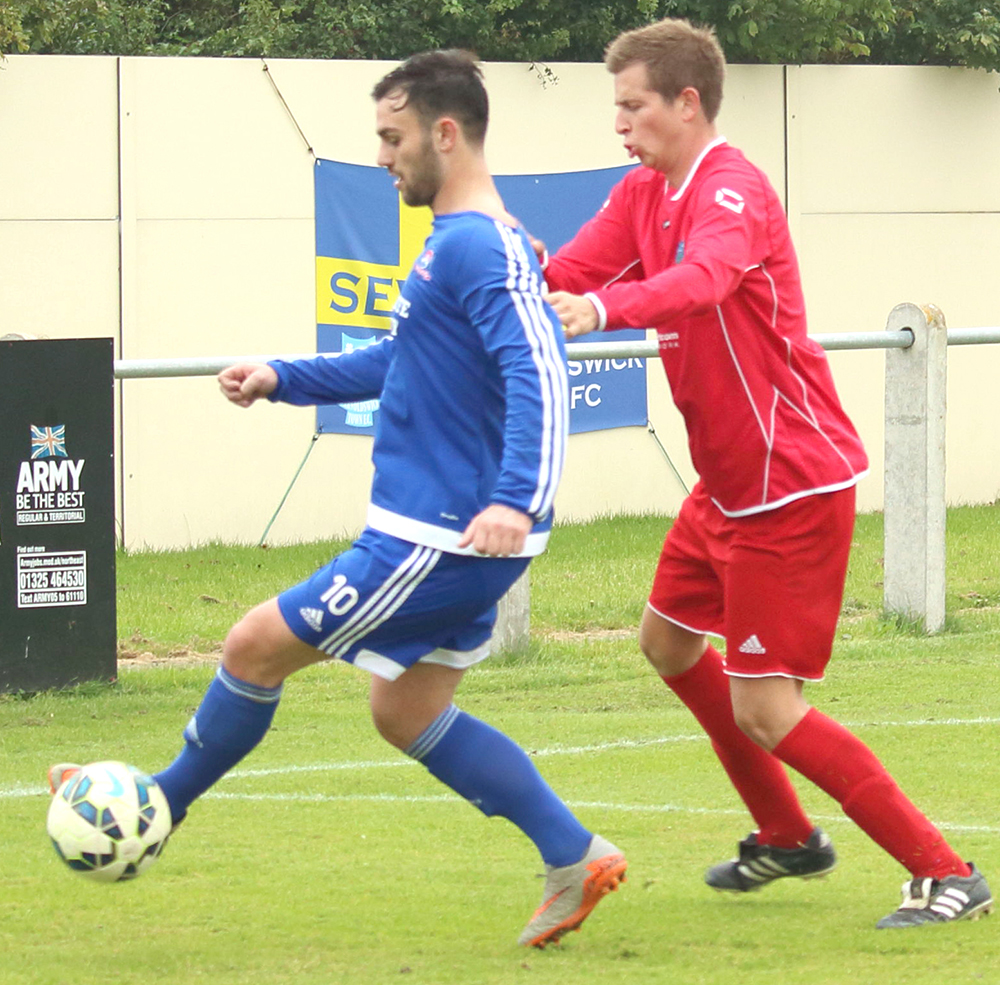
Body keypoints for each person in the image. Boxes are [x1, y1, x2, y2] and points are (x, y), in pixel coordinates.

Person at [49, 50, 626, 949]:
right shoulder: (456, 241)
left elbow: (538, 367)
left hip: (438, 537)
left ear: (444, 132)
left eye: (393, 138)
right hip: (455, 536)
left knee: (252, 645)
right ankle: (572, 853)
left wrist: (519, 497)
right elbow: (396, 361)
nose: (385, 156)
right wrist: (285, 376)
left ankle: (156, 803)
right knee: (404, 710)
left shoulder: (480, 244)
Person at [538, 18, 992, 929]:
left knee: (768, 709)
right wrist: (483, 278)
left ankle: (948, 872)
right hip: (727, 488)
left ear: (687, 102)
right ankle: (789, 835)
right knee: (667, 645)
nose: (619, 125)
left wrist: (600, 309)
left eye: (632, 107)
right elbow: (563, 269)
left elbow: (703, 280)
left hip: (791, 483)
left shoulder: (732, 189)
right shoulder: (641, 194)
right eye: (616, 108)